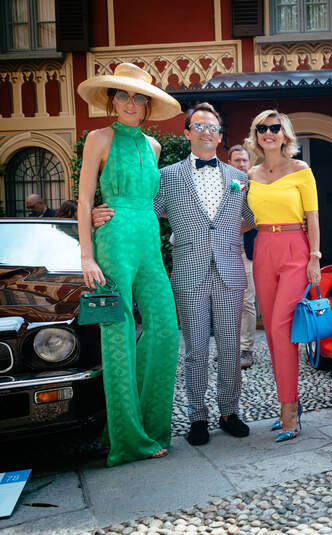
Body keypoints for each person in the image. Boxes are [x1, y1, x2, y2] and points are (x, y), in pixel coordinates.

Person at [93, 102, 254, 447]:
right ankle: (197, 416)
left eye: (213, 127)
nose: (206, 132)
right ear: (187, 133)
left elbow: (253, 218)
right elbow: (142, 214)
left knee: (229, 347)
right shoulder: (167, 176)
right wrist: (103, 213)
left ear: (220, 134)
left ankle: (230, 411)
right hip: (188, 271)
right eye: (199, 126)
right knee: (195, 349)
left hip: (230, 270)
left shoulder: (240, 179)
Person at [75, 63, 181, 466]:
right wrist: (86, 254)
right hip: (114, 238)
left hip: (149, 239)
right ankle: (127, 439)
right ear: (111, 100)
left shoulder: (153, 147)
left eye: (139, 97)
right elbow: (85, 200)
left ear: (148, 104)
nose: (131, 103)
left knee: (165, 329)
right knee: (117, 335)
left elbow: (152, 202)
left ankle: (150, 426)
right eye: (124, 95)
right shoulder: (98, 138)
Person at [244, 109, 320, 443]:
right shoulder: (251, 174)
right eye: (262, 128)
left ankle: (289, 410)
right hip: (263, 248)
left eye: (275, 128)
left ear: (285, 134)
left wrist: (315, 257)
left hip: (295, 249)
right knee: (273, 336)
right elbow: (244, 218)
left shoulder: (301, 170)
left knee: (279, 327)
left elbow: (312, 216)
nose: (268, 133)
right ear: (256, 134)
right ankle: (288, 403)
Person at [229, 144, 257, 369]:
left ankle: (246, 349)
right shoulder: (226, 187)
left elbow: (255, 218)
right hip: (224, 251)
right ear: (229, 163)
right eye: (237, 160)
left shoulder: (256, 186)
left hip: (247, 252)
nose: (241, 164)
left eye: (244, 160)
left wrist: (230, 227)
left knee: (246, 300)